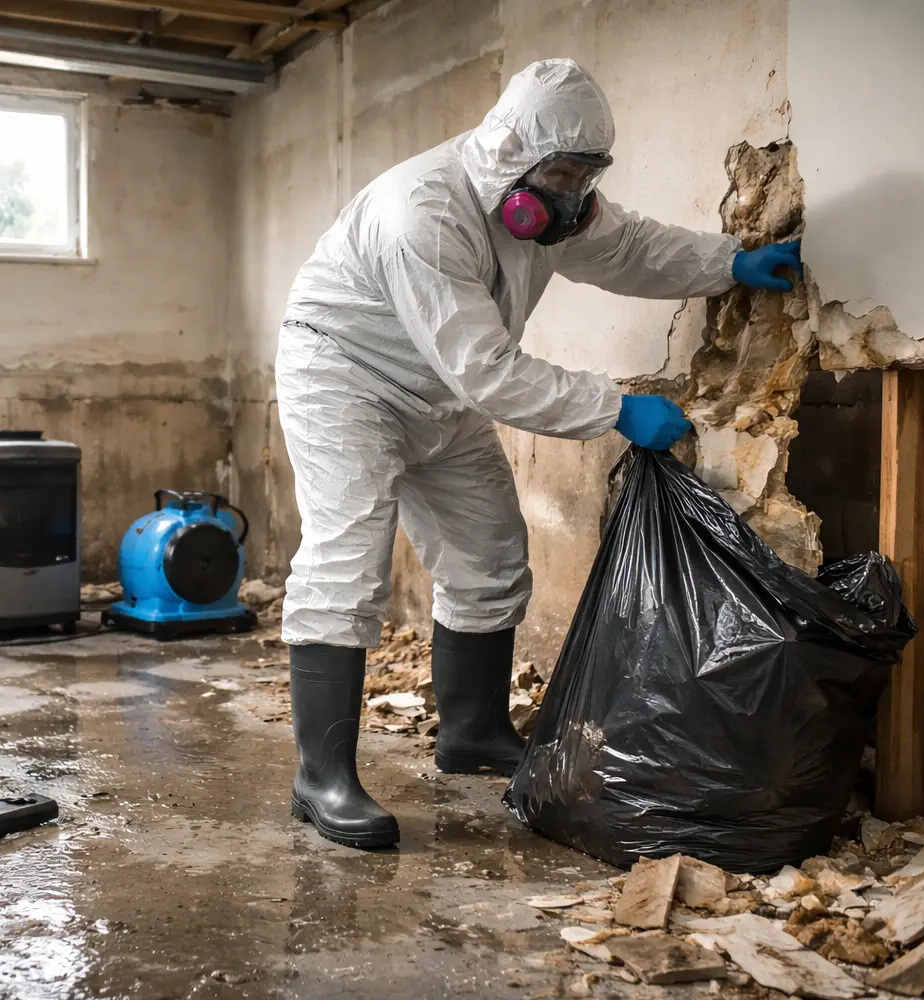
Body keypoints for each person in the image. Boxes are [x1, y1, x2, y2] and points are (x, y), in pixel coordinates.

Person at [277, 59, 802, 848]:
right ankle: (322, 780)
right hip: (346, 377)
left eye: (585, 173)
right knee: (347, 559)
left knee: (490, 552)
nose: (570, 193)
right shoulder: (422, 210)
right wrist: (615, 408)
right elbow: (485, 369)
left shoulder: (560, 206)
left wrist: (728, 262)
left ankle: (473, 733)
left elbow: (630, 249)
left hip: (442, 390)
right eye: (558, 171)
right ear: (507, 156)